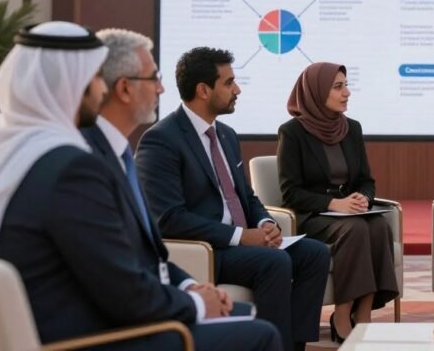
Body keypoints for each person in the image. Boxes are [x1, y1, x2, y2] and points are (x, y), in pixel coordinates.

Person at [0, 23, 280, 351]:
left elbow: (130, 256)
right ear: (77, 84)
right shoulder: (71, 168)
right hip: (90, 336)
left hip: (101, 317)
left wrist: (190, 287)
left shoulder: (23, 148)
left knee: (246, 317)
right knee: (260, 334)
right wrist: (198, 305)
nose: (102, 89)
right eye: (97, 79)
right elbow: (124, 292)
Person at [136, 47, 329, 351]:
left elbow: (246, 196)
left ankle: (294, 346)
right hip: (209, 249)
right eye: (228, 83)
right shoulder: (161, 140)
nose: (237, 89)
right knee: (274, 262)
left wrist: (265, 223)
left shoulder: (225, 134)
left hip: (242, 242)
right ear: (203, 90)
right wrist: (241, 237)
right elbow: (170, 218)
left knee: (314, 254)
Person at [277, 62, 398, 342]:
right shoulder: (292, 132)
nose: (347, 93)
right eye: (338, 86)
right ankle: (342, 314)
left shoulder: (351, 128)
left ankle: (363, 313)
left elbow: (366, 180)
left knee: (378, 225)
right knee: (355, 230)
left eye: (346, 85)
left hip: (350, 212)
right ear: (317, 92)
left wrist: (363, 199)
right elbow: (290, 193)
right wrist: (335, 204)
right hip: (313, 215)